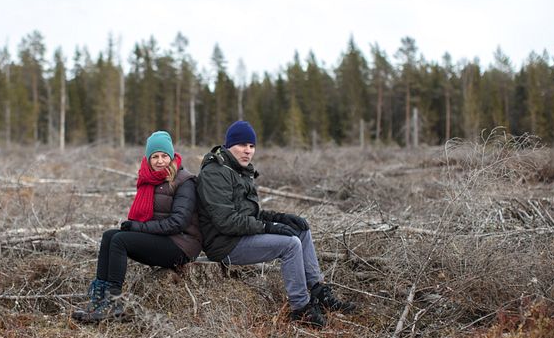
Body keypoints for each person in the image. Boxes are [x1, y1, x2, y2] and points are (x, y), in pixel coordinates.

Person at [196, 120, 355, 327]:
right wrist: (268, 227)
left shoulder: (238, 170)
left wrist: (280, 218)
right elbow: (226, 221)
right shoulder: (215, 173)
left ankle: (319, 292)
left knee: (301, 231)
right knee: (290, 244)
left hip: (239, 235)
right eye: (242, 145)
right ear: (228, 146)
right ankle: (300, 308)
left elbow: (250, 213)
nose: (248, 151)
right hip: (224, 244)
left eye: (252, 146)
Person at [72, 131, 202, 322]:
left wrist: (138, 228)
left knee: (120, 241)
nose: (160, 161)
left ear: (172, 156)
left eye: (164, 156)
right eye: (155, 156)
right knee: (109, 236)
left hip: (182, 244)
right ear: (148, 159)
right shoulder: (149, 179)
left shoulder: (185, 181)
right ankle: (99, 299)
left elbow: (177, 223)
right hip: (164, 238)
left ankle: (113, 303)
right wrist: (137, 227)